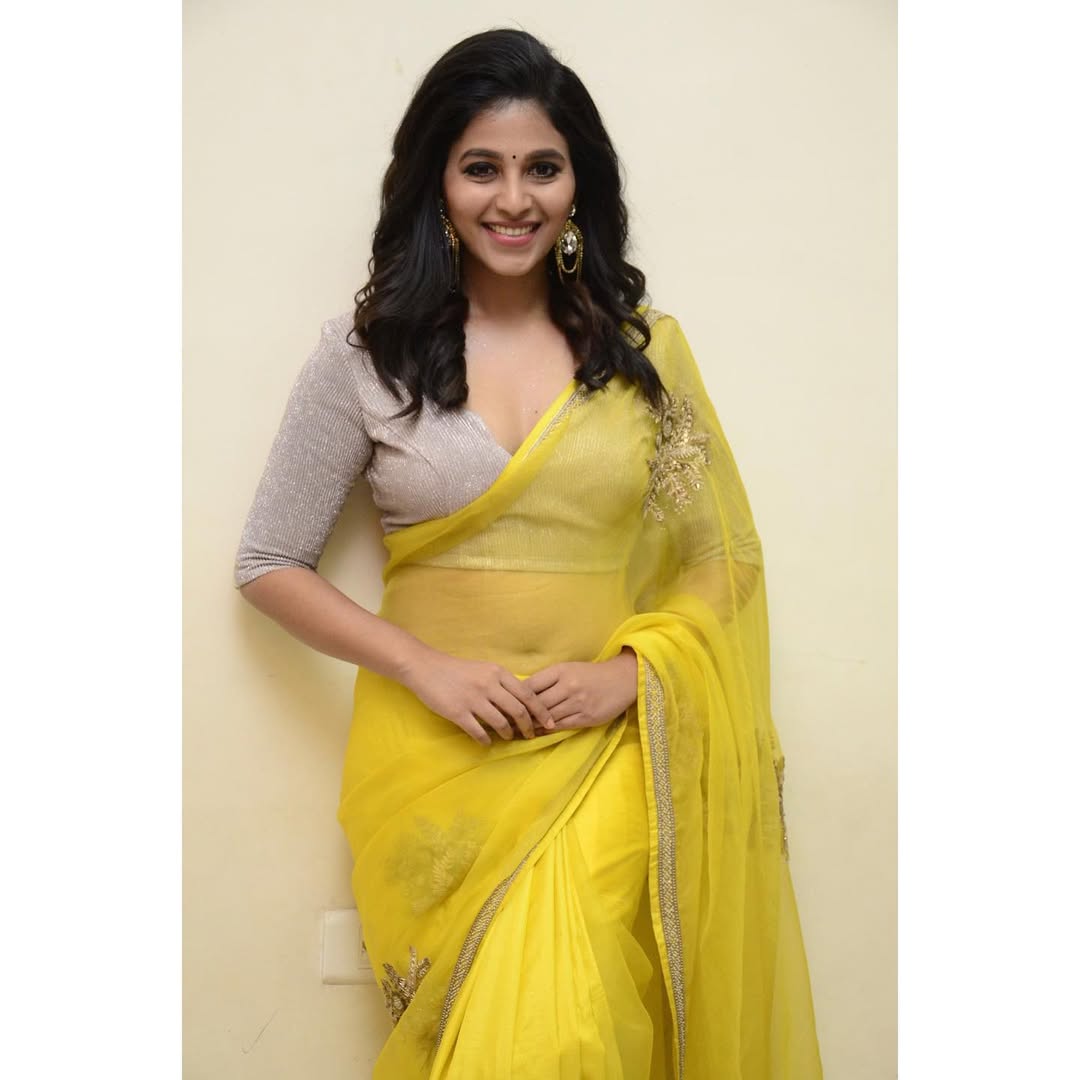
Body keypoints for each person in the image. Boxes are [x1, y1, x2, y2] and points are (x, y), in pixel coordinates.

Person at [234, 27, 822, 1080]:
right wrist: (426, 669)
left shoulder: (641, 355)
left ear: (578, 183)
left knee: (570, 1031)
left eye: (542, 167)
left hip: (606, 755)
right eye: (482, 168)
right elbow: (269, 561)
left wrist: (629, 676)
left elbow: (724, 553)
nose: (514, 199)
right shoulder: (366, 357)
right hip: (435, 761)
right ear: (437, 182)